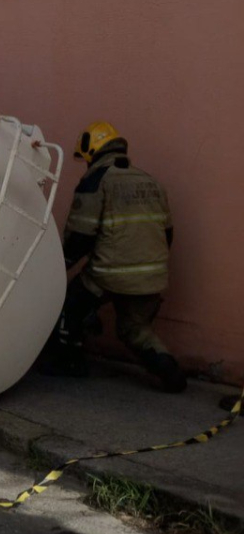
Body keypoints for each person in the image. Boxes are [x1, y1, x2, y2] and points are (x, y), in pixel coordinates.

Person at [39, 122, 185, 393]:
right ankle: (171, 372)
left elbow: (80, 237)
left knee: (69, 304)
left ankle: (70, 362)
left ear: (91, 151)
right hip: (152, 274)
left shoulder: (96, 181)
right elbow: (168, 233)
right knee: (135, 329)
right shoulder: (150, 181)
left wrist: (58, 268)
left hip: (110, 274)